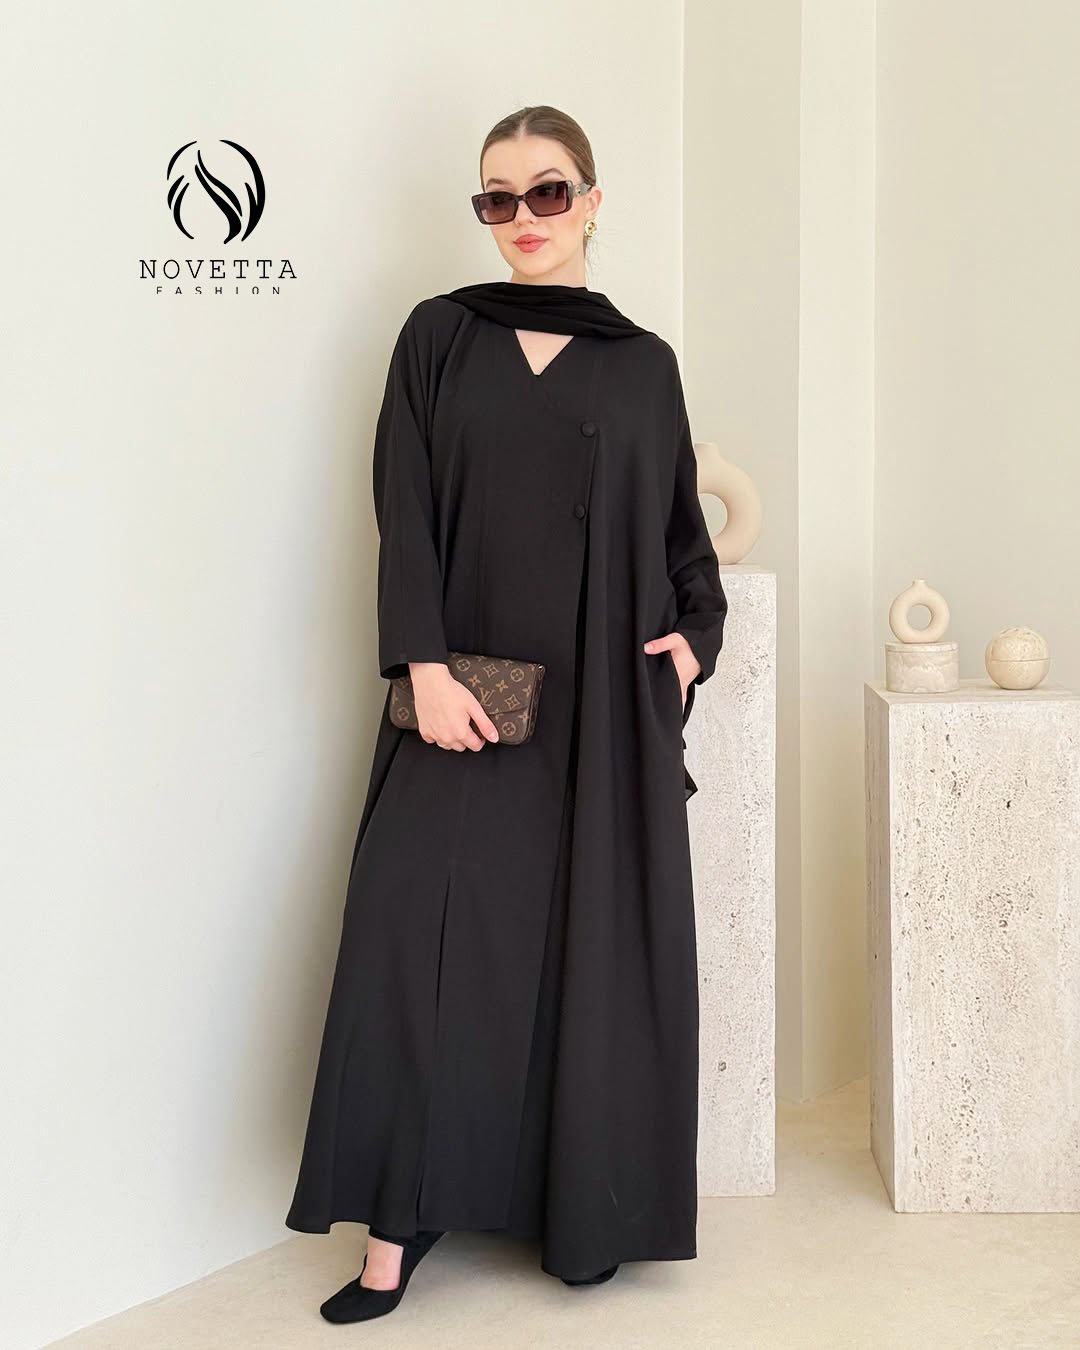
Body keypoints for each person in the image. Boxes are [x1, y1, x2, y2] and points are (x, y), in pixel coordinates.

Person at [284, 104, 729, 1324]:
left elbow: (685, 544)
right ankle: (397, 1222)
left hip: (597, 717)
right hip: (465, 698)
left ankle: (583, 1210)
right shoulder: (441, 336)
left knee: (584, 953)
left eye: (547, 191)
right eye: (498, 197)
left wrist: (692, 644)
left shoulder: (644, 365)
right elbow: (404, 510)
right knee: (415, 946)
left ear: (592, 200)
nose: (523, 217)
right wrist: (420, 668)